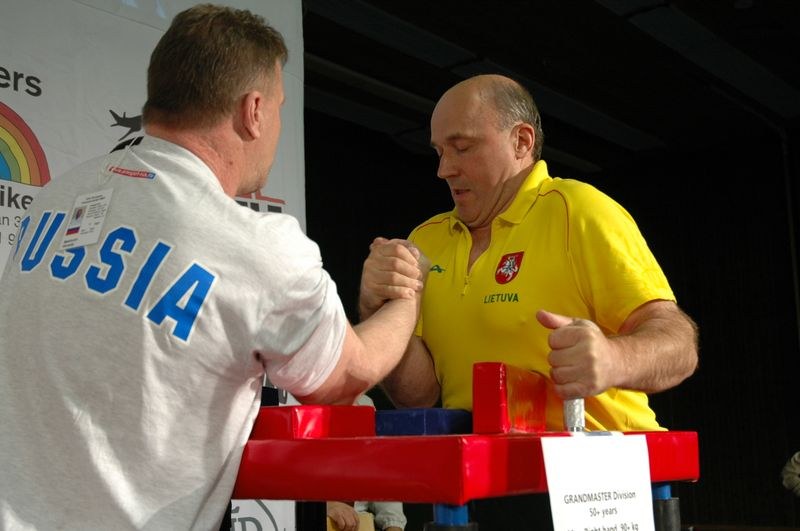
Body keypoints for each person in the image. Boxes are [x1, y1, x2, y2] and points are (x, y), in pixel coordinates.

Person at [0, 5, 424, 530]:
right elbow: (346, 375)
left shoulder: (56, 197)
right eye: (279, 106)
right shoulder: (257, 247)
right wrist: (407, 299)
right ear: (253, 111)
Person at [359, 74, 698, 527]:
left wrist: (614, 358)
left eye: (462, 147)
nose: (444, 169)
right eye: (440, 152)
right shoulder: (426, 239)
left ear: (521, 141)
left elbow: (679, 343)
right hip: (479, 490)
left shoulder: (578, 210)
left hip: (599, 491)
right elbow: (419, 394)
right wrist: (379, 307)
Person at [325, 395, 407, 531]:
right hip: (307, 519)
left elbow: (379, 473)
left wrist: (394, 524)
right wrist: (326, 506)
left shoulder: (365, 403)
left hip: (361, 523)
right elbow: (287, 476)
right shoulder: (296, 400)